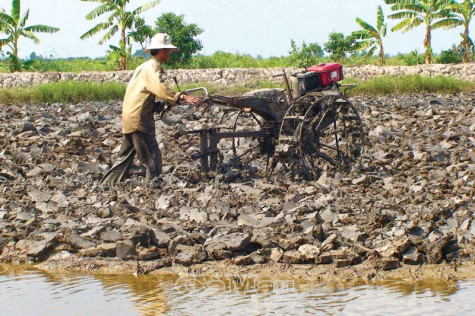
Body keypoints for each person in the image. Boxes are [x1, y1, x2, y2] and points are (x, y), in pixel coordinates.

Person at [101, 33, 203, 187]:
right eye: (168, 51)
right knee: (152, 156)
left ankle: (106, 185)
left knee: (125, 157)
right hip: (139, 120)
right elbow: (160, 88)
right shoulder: (152, 67)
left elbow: (143, 92)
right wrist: (182, 97)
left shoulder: (143, 67)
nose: (169, 54)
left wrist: (155, 105)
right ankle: (154, 188)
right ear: (161, 50)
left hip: (130, 117)